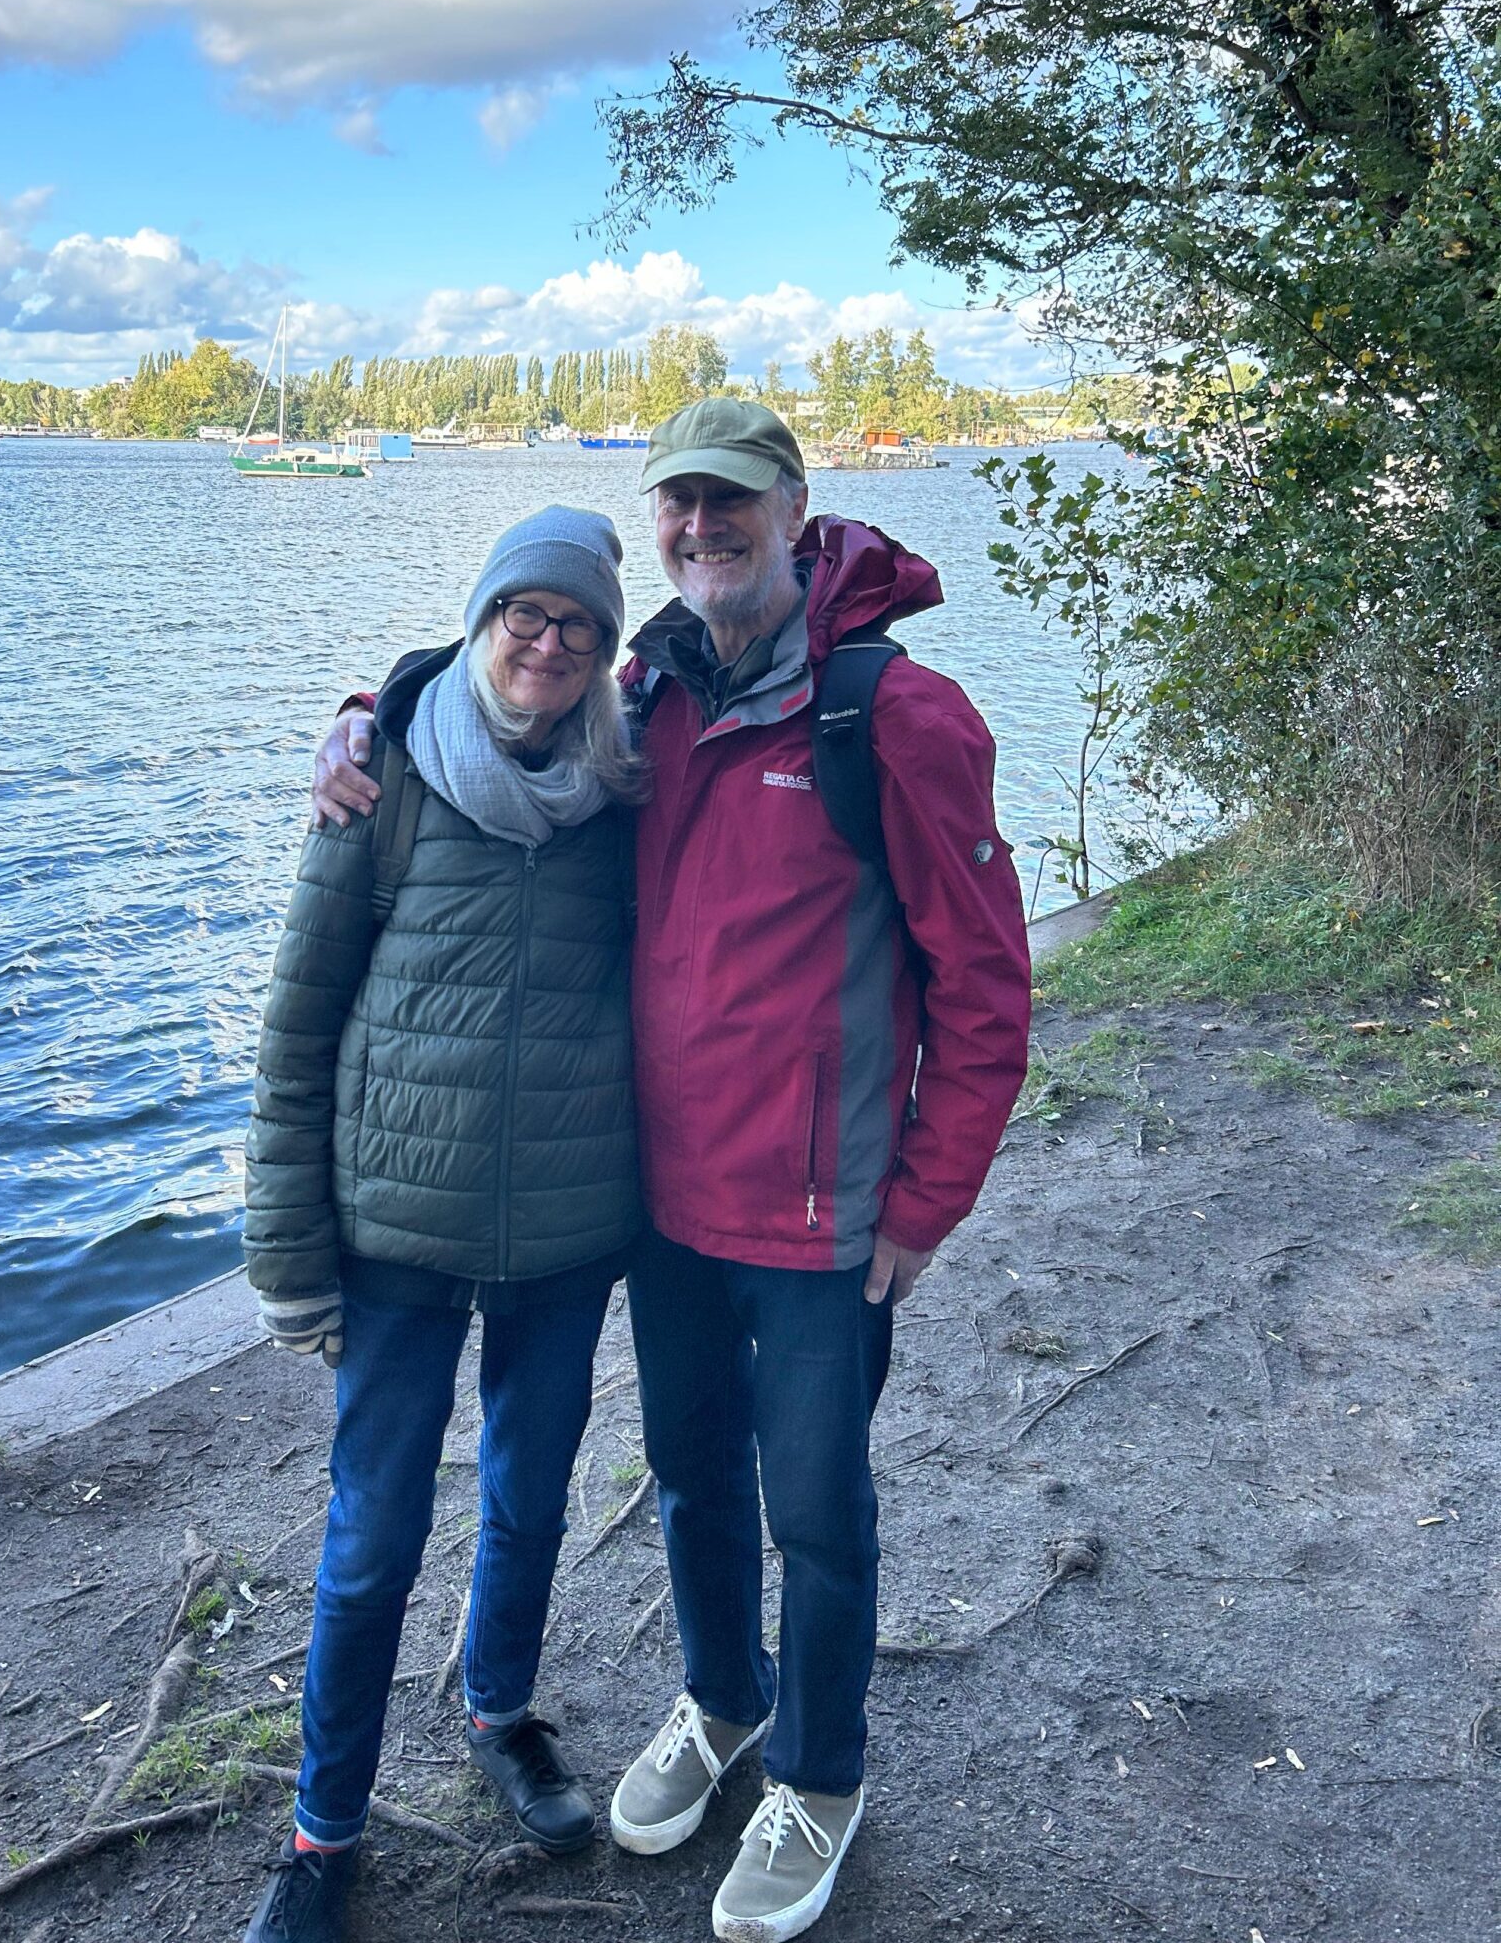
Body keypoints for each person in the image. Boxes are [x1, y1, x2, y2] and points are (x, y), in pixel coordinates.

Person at [315, 399, 1033, 1943]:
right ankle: (723, 1703)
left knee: (819, 1509)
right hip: (668, 1204)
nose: (701, 528)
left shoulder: (893, 717)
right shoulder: (654, 692)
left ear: (791, 508)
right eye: (678, 506)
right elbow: (506, 699)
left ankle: (821, 1780)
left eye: (731, 502)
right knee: (697, 1480)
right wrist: (372, 711)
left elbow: (985, 985)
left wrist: (926, 1200)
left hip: (827, 1211)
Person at [242, 506, 644, 1943]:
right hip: (393, 1231)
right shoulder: (385, 782)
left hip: (567, 1226)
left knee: (530, 1499)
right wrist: (288, 1259)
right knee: (371, 1541)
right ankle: (322, 1829)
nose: (547, 644)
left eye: (577, 625)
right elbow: (296, 1036)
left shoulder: (626, 790)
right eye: (523, 616)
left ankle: (500, 1710)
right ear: (480, 625)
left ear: (604, 649)